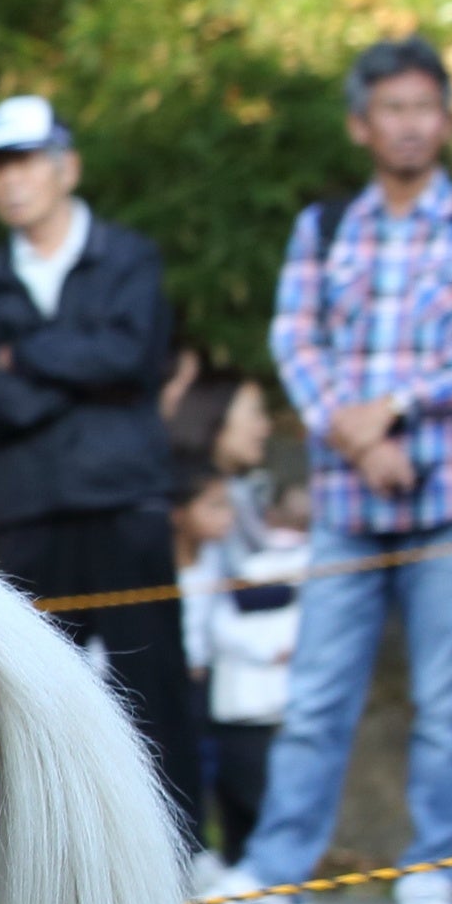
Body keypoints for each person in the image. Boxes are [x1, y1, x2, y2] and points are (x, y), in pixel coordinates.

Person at [202, 35, 452, 904]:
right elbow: (294, 339)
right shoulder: (327, 226)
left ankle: (431, 869)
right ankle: (278, 870)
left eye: (425, 107)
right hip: (350, 496)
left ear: (448, 120)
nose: (410, 124)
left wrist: (391, 410)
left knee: (448, 692)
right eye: (393, 109)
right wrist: (353, 431)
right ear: (362, 124)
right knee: (314, 692)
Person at [0, 94, 200, 851]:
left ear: (66, 167)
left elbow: (130, 356)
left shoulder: (128, 257)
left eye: (23, 161)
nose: (10, 181)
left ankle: (183, 851)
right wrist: (76, 364)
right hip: (28, 510)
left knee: (153, 683)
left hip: (124, 501)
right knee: (28, 698)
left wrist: (23, 354)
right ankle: (37, 856)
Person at [172, 375, 306, 875]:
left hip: (238, 673)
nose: (265, 426)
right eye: (253, 412)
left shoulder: (242, 494)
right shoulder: (204, 502)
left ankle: (237, 860)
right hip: (216, 672)